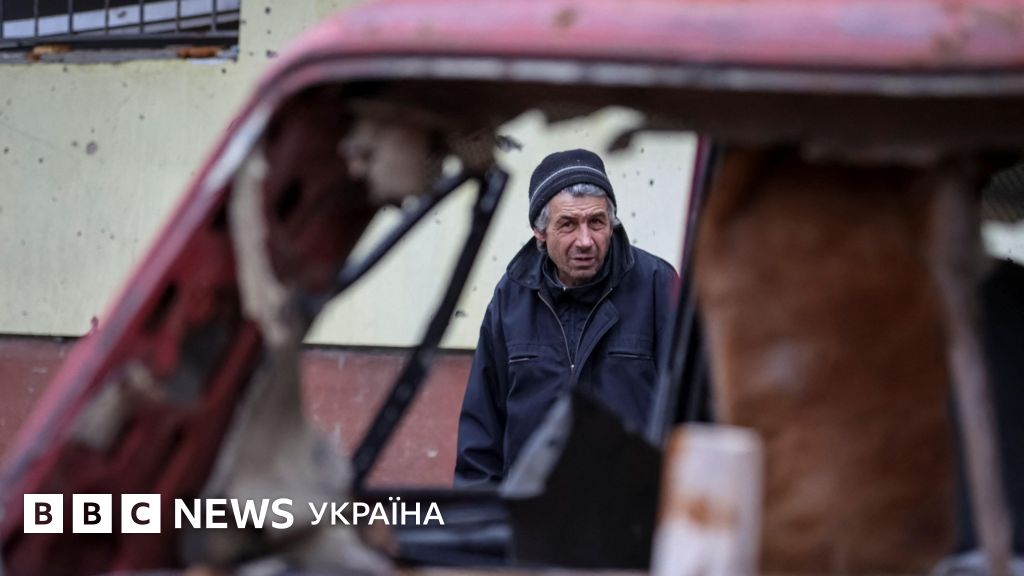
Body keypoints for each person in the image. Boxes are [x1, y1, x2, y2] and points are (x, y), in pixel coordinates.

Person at [454, 148, 678, 487]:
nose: (585, 241)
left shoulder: (657, 285)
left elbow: (692, 413)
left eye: (596, 222)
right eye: (568, 224)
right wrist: (479, 513)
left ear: (612, 223)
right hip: (533, 506)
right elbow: (482, 429)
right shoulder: (511, 297)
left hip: (633, 506)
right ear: (540, 231)